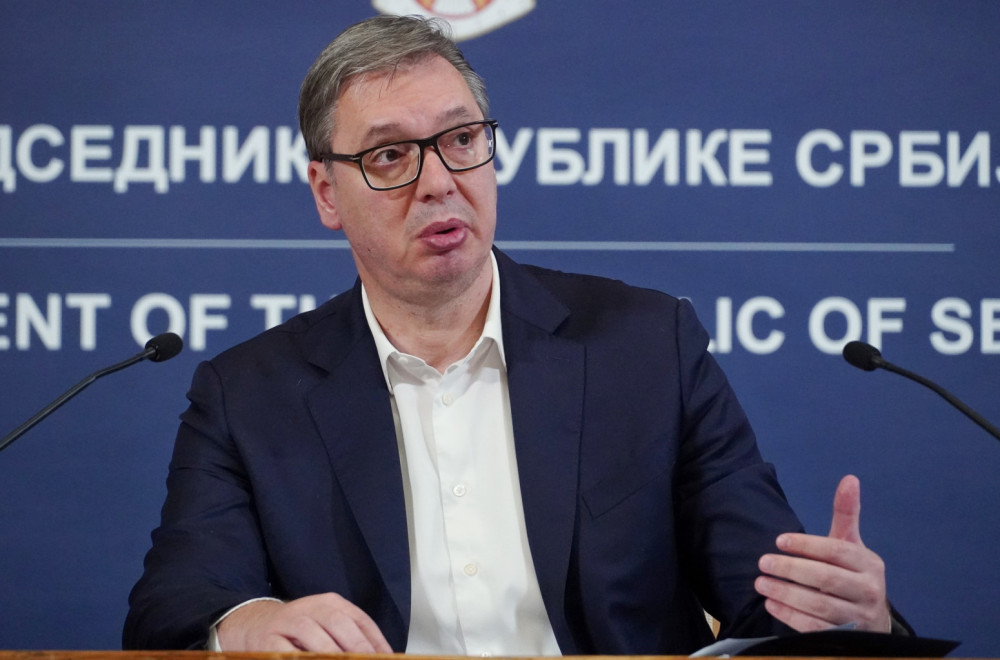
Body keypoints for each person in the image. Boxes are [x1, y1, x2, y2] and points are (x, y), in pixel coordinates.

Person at [123, 15, 909, 654]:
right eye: (391, 156)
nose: (439, 181)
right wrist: (246, 622)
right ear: (327, 192)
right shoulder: (249, 396)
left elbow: (770, 602)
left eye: (461, 139)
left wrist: (851, 619)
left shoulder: (646, 349)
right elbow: (172, 606)